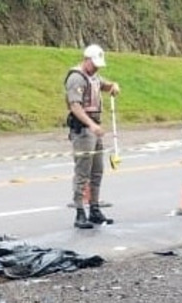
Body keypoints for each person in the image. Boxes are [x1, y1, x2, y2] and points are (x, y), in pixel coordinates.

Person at [64, 44, 120, 229]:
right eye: (94, 64)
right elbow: (75, 106)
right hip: (83, 129)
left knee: (97, 170)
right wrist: (91, 125)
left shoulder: (93, 76)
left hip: (95, 128)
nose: (96, 68)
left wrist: (113, 86)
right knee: (82, 171)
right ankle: (80, 211)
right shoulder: (76, 78)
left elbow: (103, 84)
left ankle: (94, 208)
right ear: (86, 60)